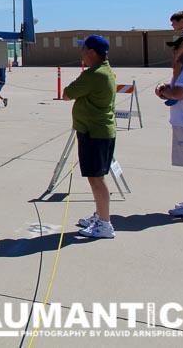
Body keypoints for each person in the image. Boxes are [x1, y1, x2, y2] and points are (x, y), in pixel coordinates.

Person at [63, 35, 117, 239]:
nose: (81, 52)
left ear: (92, 52)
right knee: (97, 177)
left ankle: (105, 225)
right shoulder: (104, 71)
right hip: (98, 132)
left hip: (94, 133)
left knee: (96, 179)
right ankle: (100, 215)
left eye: (84, 49)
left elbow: (67, 93)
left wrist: (80, 80)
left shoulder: (94, 75)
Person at [156, 38, 183, 218]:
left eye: (176, 49)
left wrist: (162, 91)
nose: (174, 52)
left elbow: (178, 93)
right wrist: (166, 86)